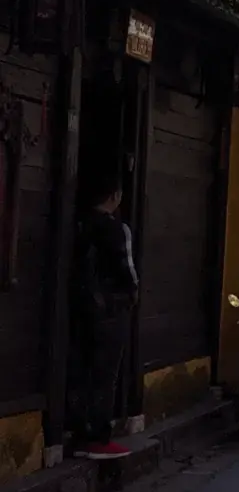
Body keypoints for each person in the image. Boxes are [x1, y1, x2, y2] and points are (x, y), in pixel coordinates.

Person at [70, 178, 138, 457]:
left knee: (82, 369)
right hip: (110, 309)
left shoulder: (78, 224)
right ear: (116, 195)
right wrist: (131, 295)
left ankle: (78, 431)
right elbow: (127, 269)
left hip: (80, 307)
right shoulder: (115, 229)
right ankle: (98, 437)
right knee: (105, 375)